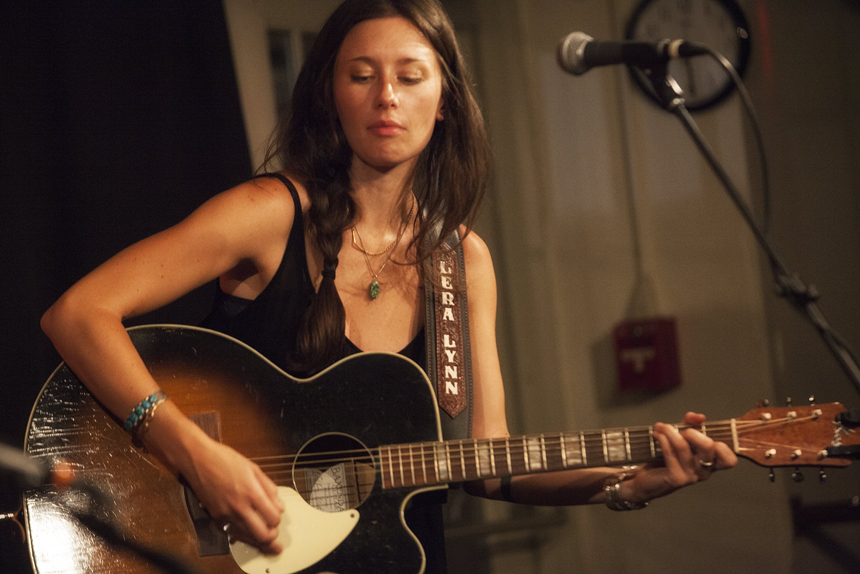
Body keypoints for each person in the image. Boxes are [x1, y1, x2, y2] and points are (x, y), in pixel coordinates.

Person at [40, 0, 737, 571]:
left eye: (410, 76)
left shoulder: (462, 261)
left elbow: (488, 462)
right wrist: (194, 453)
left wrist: (625, 483)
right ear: (329, 96)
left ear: (444, 103)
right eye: (362, 75)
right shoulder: (268, 214)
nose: (386, 97)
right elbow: (78, 314)